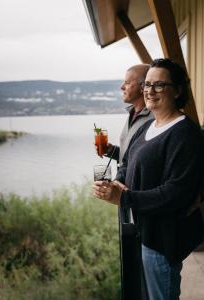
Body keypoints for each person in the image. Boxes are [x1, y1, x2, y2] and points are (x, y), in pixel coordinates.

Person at [93, 58, 204, 300]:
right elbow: (128, 162)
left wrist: (124, 197)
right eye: (147, 85)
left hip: (163, 238)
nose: (150, 91)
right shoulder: (148, 126)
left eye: (159, 85)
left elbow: (176, 193)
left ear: (177, 90)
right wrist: (116, 182)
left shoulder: (185, 133)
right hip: (142, 230)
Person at [96, 64, 154, 165]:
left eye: (127, 83)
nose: (122, 87)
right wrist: (111, 150)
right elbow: (130, 157)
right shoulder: (133, 113)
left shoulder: (154, 119)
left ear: (143, 87)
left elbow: (147, 162)